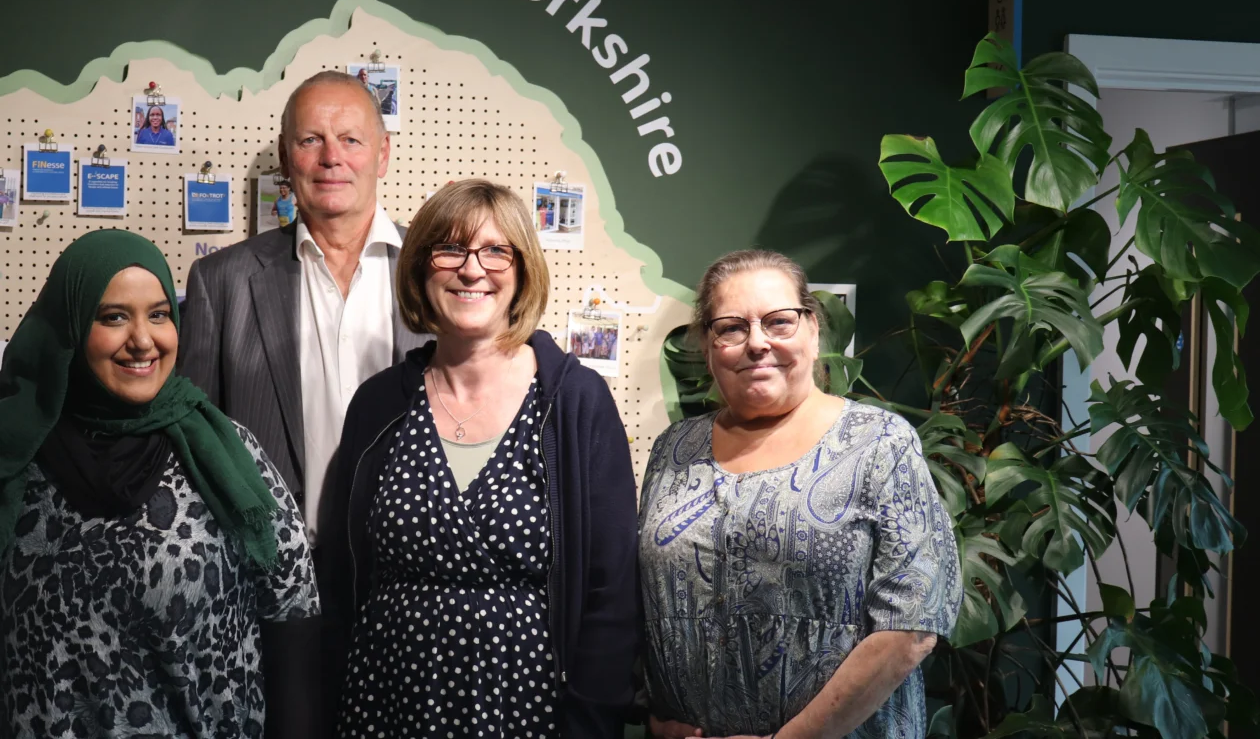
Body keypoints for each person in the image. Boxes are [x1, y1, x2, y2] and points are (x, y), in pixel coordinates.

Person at [321, 179, 640, 738]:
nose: (472, 270)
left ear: (522, 272)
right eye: (450, 248)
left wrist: (590, 724)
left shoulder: (573, 402)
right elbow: (343, 576)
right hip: (387, 701)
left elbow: (610, 593)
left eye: (496, 250)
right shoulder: (377, 405)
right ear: (422, 269)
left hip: (527, 707)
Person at [0, 230, 320, 739]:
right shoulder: (14, 456)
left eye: (159, 314)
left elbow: (293, 617)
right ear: (69, 328)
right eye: (113, 317)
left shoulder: (224, 453)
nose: (144, 340)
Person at [638, 249, 962, 739]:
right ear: (707, 345)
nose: (757, 343)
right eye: (731, 328)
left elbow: (911, 628)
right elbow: (649, 603)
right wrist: (655, 718)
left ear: (812, 329)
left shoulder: (879, 443)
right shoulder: (674, 449)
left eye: (778, 322)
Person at [179, 71, 429, 553]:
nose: (331, 157)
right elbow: (197, 450)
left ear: (383, 153)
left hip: (408, 583)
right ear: (284, 155)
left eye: (351, 139)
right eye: (311, 139)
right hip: (273, 584)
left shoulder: (438, 272)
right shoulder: (220, 283)